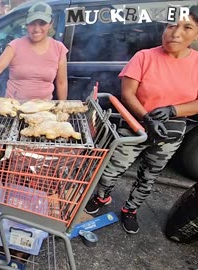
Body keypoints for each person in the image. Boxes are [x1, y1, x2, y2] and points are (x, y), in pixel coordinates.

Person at [84, 6, 198, 234]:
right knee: (110, 170)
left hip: (171, 131)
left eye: (187, 28)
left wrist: (172, 110)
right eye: (171, 26)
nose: (175, 33)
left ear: (196, 34)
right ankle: (102, 197)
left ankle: (130, 210)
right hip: (136, 124)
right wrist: (146, 117)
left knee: (149, 174)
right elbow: (127, 93)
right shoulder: (144, 57)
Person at [0, 2, 68, 100]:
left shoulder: (58, 48)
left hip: (44, 109)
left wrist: (63, 105)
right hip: (13, 107)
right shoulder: (15, 45)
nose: (36, 29)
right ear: (27, 24)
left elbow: (61, 83)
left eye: (42, 23)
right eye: (32, 23)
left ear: (50, 24)